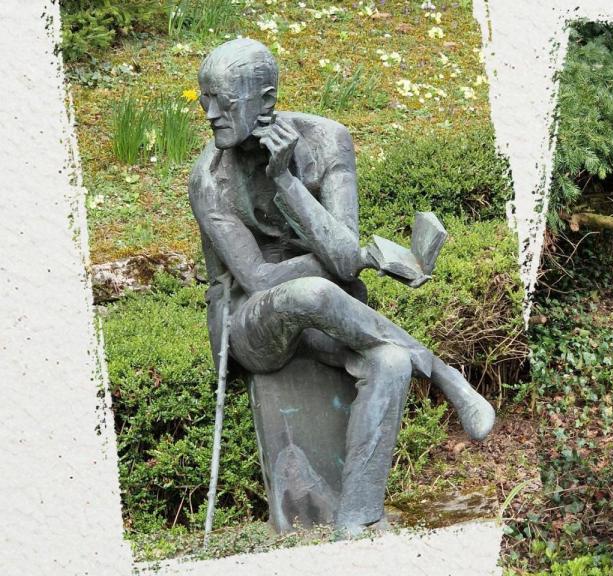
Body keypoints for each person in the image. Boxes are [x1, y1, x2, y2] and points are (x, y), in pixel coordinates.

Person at [188, 38, 494, 535]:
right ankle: (441, 373)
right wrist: (335, 261)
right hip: (249, 324)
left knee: (389, 361)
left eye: (224, 99)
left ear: (266, 101)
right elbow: (261, 277)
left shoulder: (328, 140)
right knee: (312, 292)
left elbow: (346, 260)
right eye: (205, 98)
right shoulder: (210, 178)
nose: (210, 113)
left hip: (327, 310)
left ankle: (356, 519)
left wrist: (285, 181)